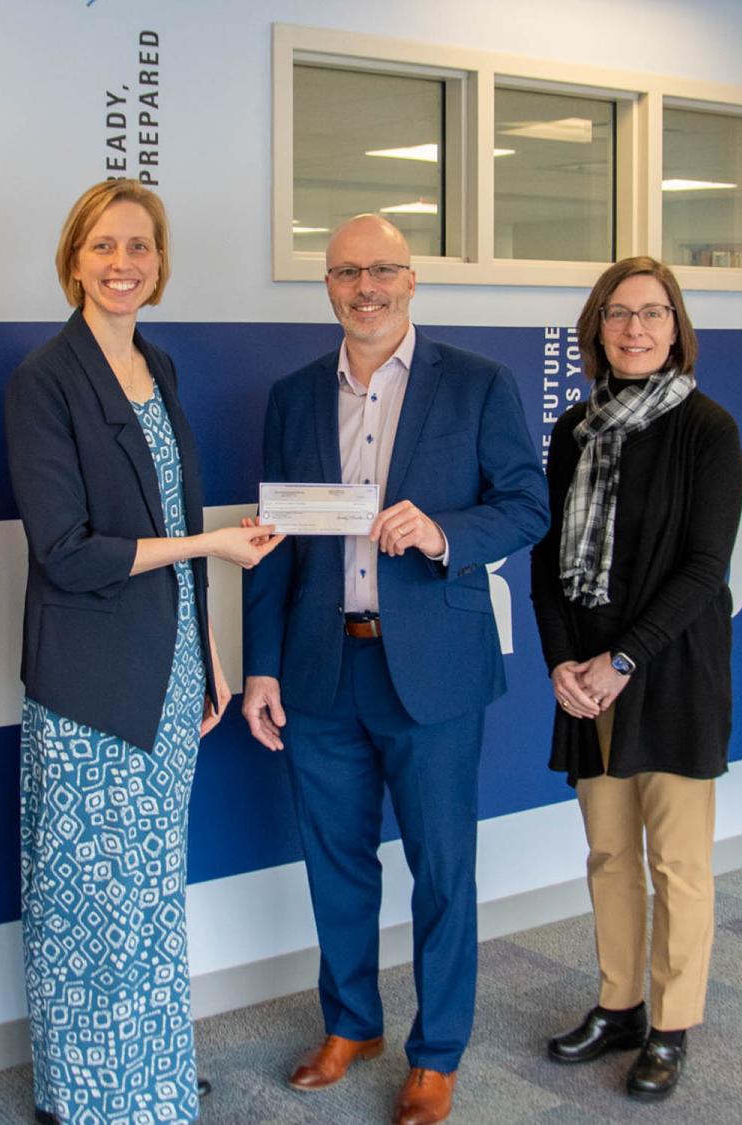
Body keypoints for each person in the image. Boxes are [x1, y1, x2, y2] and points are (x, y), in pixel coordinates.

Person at [242, 214, 549, 1125]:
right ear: (327, 285)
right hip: (320, 666)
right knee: (336, 860)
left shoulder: (479, 385)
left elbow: (526, 505)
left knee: (443, 866)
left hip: (435, 673)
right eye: (345, 272)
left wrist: (448, 533)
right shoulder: (293, 396)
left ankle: (438, 1050)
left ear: (412, 280)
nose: (364, 286)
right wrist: (262, 670)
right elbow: (276, 544)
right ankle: (352, 1023)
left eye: (382, 270)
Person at [5, 179, 282, 1125]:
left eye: (141, 246)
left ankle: (148, 1068)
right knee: (91, 903)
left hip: (166, 671)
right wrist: (210, 546)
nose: (124, 263)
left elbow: (168, 520)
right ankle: (88, 1095)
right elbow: (68, 553)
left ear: (160, 263)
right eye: (104, 246)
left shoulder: (159, 365)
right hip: (91, 683)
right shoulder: (44, 379)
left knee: (151, 888)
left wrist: (208, 652)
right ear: (73, 258)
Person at [529, 256, 742, 1101]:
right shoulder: (572, 430)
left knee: (679, 862)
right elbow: (546, 561)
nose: (635, 329)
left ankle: (672, 1023)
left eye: (653, 313)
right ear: (597, 327)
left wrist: (623, 660)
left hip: (671, 672)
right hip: (586, 679)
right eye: (619, 313)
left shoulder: (708, 429)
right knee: (609, 851)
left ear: (677, 327)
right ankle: (619, 1004)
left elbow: (704, 569)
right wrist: (563, 662)